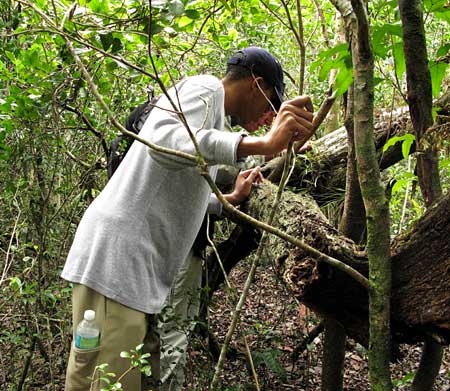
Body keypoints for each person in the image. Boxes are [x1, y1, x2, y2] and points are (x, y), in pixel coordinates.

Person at [62, 46, 314, 391]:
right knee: (103, 382)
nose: (269, 118)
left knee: (133, 377)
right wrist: (262, 143)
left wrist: (227, 200)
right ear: (257, 84)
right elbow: (160, 140)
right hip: (116, 265)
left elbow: (172, 187)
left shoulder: (209, 120)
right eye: (272, 105)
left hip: (137, 275)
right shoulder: (206, 88)